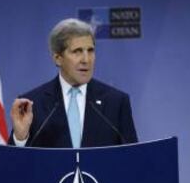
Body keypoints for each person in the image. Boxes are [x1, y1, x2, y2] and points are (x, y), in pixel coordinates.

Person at [8, 18, 137, 148]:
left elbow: (133, 158)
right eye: (77, 51)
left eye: (90, 50)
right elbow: (14, 164)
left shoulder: (116, 102)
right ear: (58, 58)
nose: (86, 59)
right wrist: (20, 138)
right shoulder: (33, 104)